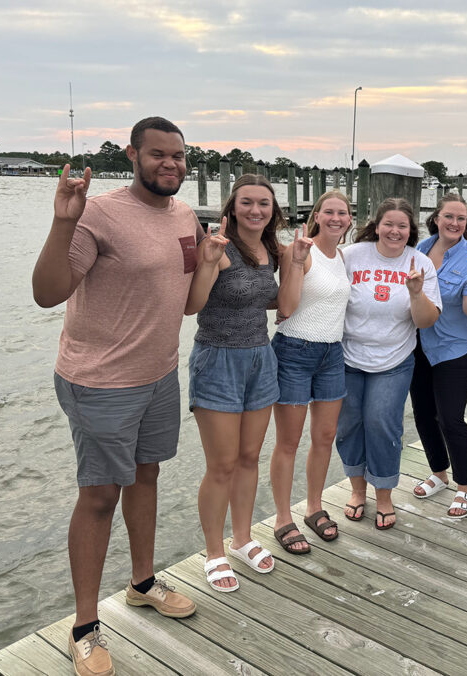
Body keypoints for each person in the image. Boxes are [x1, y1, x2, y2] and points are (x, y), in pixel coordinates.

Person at [32, 116, 200, 676]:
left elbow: (186, 296)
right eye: (158, 155)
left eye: (177, 156)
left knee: (147, 476)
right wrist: (62, 222)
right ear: (132, 155)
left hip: (160, 374)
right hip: (99, 380)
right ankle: (83, 626)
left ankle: (142, 582)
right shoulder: (98, 213)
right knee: (100, 496)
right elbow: (47, 293)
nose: (170, 164)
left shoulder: (183, 214)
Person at [186, 174, 295, 591]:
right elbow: (191, 306)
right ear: (231, 208)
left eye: (264, 204)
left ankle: (242, 538)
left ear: (273, 211)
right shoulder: (217, 247)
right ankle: (214, 551)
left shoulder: (271, 250)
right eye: (247, 203)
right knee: (222, 464)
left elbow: (272, 299)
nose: (256, 210)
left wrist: (295, 275)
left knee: (250, 457)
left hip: (260, 358)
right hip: (217, 360)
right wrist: (209, 262)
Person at [337, 197, 441, 530]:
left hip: (394, 360)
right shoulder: (352, 255)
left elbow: (426, 321)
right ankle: (357, 490)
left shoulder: (420, 263)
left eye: (402, 226)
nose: (394, 231)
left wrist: (415, 293)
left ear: (411, 231)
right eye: (389, 224)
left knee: (382, 424)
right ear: (377, 224)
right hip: (347, 357)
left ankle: (383, 495)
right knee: (348, 424)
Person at [268, 190, 352, 554]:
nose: (335, 218)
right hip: (294, 351)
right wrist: (297, 262)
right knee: (288, 441)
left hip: (332, 353)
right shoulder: (299, 251)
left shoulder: (343, 257)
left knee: (325, 435)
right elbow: (286, 304)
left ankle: (314, 506)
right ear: (316, 215)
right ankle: (282, 517)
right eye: (328, 212)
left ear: (350, 220)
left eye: (342, 213)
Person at [410, 194, 467, 519]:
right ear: (436, 218)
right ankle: (439, 473)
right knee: (424, 413)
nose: (455, 223)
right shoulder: (418, 252)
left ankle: (464, 487)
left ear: (466, 223)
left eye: (461, 218)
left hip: (458, 347)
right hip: (419, 344)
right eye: (449, 217)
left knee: (450, 417)